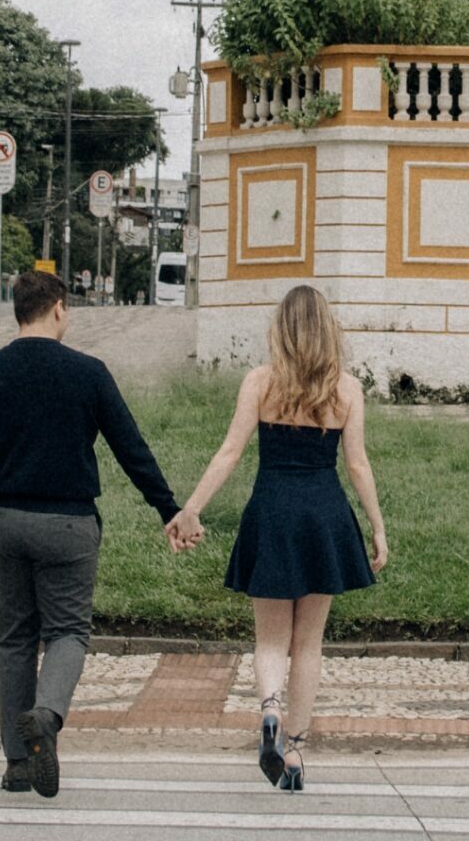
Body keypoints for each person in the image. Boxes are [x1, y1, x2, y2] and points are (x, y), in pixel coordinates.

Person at [0, 270, 180, 800]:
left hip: (5, 523)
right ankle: (46, 717)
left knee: (15, 641)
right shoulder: (88, 372)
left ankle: (17, 765)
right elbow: (131, 449)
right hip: (70, 525)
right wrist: (168, 508)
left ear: (18, 312)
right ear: (57, 309)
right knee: (68, 632)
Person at [167, 284, 388, 793]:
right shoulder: (347, 390)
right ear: (328, 331)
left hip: (271, 512)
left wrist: (192, 508)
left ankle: (269, 710)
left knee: (270, 639)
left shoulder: (260, 383)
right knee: (307, 644)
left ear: (281, 331)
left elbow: (230, 451)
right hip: (324, 515)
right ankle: (294, 751)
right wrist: (376, 526)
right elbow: (357, 464)